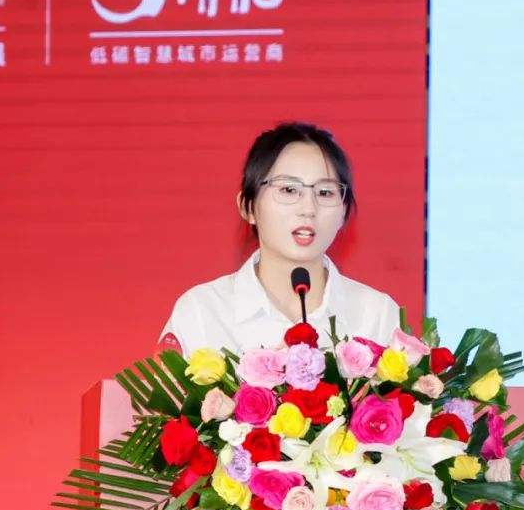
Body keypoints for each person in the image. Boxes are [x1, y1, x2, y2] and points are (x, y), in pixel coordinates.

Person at [158, 122, 401, 355]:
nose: (308, 209)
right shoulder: (202, 312)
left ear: (343, 213)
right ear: (248, 207)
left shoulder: (376, 315)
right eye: (288, 190)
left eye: (325, 192)